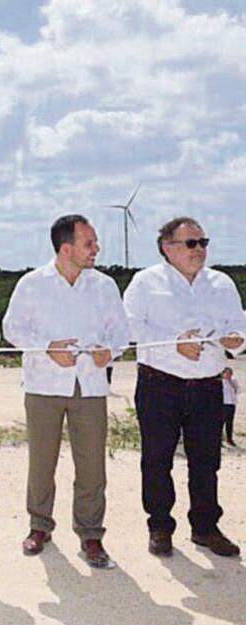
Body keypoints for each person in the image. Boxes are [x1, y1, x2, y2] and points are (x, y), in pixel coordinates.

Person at [3, 215, 129, 568]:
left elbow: (120, 333)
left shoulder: (104, 286)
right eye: (89, 243)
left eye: (95, 242)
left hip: (90, 386)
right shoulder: (32, 284)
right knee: (41, 461)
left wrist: (110, 351)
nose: (96, 249)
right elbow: (12, 328)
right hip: (44, 386)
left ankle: (90, 535)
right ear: (66, 247)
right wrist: (46, 347)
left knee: (92, 465)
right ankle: (39, 526)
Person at [124, 217, 246, 558]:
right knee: (157, 459)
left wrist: (236, 340)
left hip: (208, 385)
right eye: (192, 243)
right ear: (168, 247)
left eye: (203, 242)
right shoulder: (146, 282)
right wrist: (172, 343)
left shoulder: (221, 283)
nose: (200, 250)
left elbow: (239, 324)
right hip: (159, 383)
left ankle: (206, 528)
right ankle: (160, 527)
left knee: (207, 461)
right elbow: (129, 327)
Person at [222, 365, 238, 448]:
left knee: (229, 422)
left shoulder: (233, 380)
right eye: (226, 373)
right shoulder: (220, 382)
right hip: (222, 404)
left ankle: (229, 439)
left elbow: (236, 389)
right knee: (220, 422)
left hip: (231, 404)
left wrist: (229, 380)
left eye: (229, 373)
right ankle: (220, 440)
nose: (228, 375)